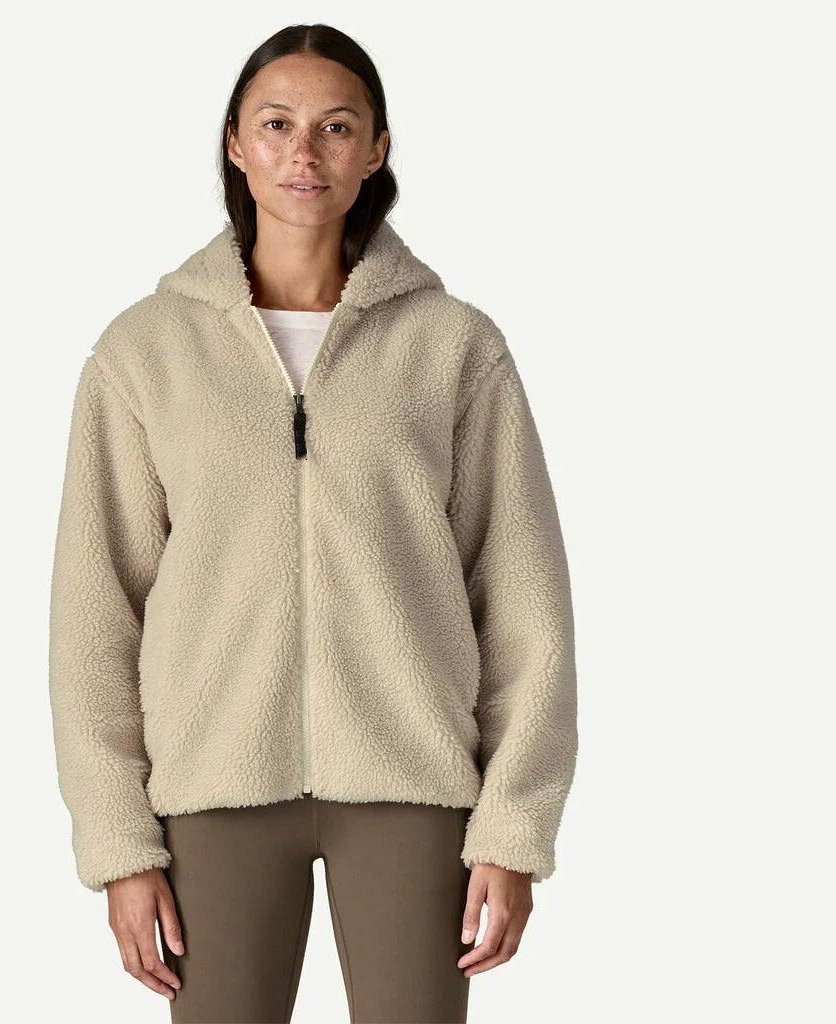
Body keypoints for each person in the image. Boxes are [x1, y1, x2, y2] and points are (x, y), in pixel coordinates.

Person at [48, 22, 578, 1024]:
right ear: (234, 144)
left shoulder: (454, 348)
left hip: (413, 781)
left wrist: (513, 830)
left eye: (336, 127)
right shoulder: (145, 352)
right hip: (212, 786)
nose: (305, 152)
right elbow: (95, 618)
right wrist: (118, 844)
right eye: (276, 124)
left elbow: (524, 602)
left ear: (376, 150)